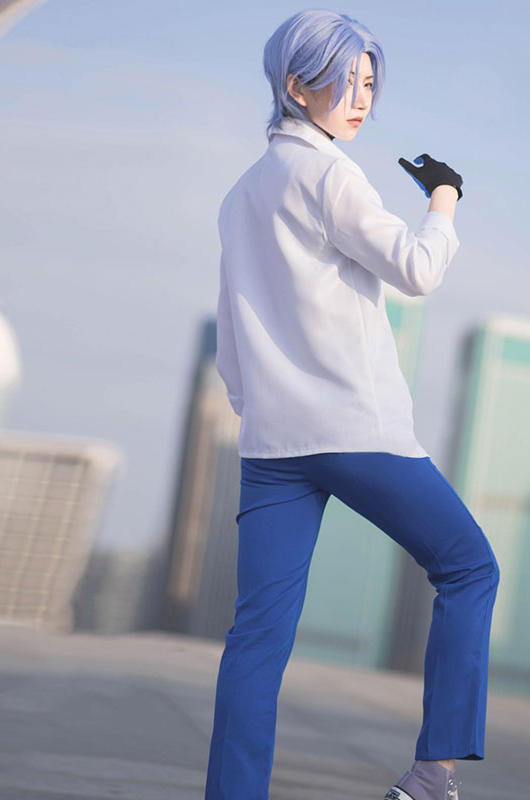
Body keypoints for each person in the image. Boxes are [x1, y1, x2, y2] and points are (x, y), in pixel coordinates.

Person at [205, 9, 500, 800]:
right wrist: (444, 198)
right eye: (346, 81)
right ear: (296, 85)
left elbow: (231, 339)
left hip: (272, 443)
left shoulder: (240, 194)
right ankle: (430, 776)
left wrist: (265, 410)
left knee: (255, 641)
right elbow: (416, 269)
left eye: (370, 83)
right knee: (469, 567)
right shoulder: (331, 174)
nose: (362, 98)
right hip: (355, 431)